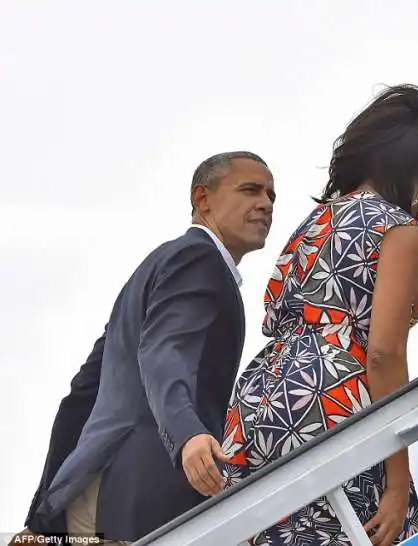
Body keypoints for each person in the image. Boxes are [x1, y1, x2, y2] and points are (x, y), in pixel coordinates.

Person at [223, 84, 418, 546]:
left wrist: (416, 304)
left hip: (263, 400)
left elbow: (333, 318)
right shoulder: (399, 228)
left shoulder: (316, 220)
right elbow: (380, 353)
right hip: (331, 403)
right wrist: (398, 483)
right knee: (374, 529)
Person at [22, 151, 276, 543]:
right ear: (203, 198)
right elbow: (163, 353)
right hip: (145, 491)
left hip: (93, 498)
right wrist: (188, 434)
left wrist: (45, 509)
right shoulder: (199, 260)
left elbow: (83, 391)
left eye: (271, 196)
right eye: (250, 190)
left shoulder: (158, 265)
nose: (265, 203)